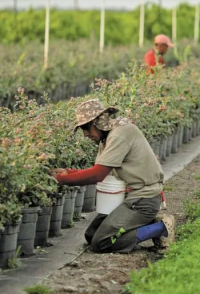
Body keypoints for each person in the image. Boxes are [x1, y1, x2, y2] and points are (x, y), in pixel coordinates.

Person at [49, 99, 175, 253]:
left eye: (86, 128)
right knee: (91, 235)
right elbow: (102, 169)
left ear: (97, 122)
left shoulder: (119, 135)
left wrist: (61, 179)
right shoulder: (108, 137)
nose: (85, 134)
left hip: (143, 200)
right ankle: (145, 223)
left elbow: (98, 174)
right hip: (132, 197)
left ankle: (160, 229)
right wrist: (70, 172)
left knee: (102, 242)